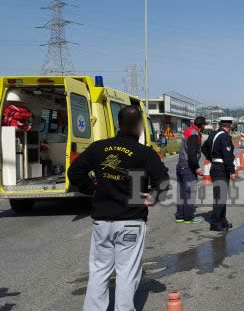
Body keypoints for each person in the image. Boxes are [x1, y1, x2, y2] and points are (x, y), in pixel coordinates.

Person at [68, 106, 170, 311]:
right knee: (127, 272)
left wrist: (92, 189)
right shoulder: (145, 153)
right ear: (140, 126)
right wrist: (154, 197)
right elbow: (163, 180)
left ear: (118, 124)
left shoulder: (98, 148)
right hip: (131, 220)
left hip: (102, 221)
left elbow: (74, 172)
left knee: (99, 271)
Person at [201, 116, 235, 231]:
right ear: (229, 125)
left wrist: (211, 158)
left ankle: (222, 220)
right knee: (220, 197)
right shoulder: (225, 137)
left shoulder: (213, 134)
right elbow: (227, 156)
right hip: (221, 168)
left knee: (221, 196)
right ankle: (215, 223)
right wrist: (232, 170)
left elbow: (204, 148)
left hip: (215, 167)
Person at [175, 116, 206, 224]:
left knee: (182, 192)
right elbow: (192, 152)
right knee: (189, 192)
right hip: (188, 166)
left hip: (181, 164)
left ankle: (180, 216)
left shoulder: (188, 130)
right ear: (202, 125)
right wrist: (197, 167)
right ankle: (188, 217)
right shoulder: (194, 133)